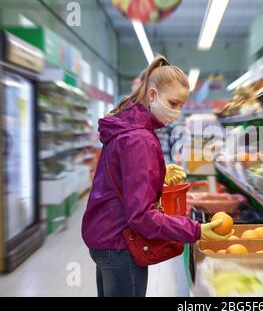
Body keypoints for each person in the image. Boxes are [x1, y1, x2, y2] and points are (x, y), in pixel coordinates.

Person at [82, 55, 231, 297]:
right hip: (121, 243)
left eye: (181, 105)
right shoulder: (140, 139)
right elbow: (141, 216)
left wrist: (157, 176)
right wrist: (196, 230)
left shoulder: (128, 128)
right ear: (152, 95)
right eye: (173, 103)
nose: (177, 111)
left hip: (105, 236)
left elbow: (119, 181)